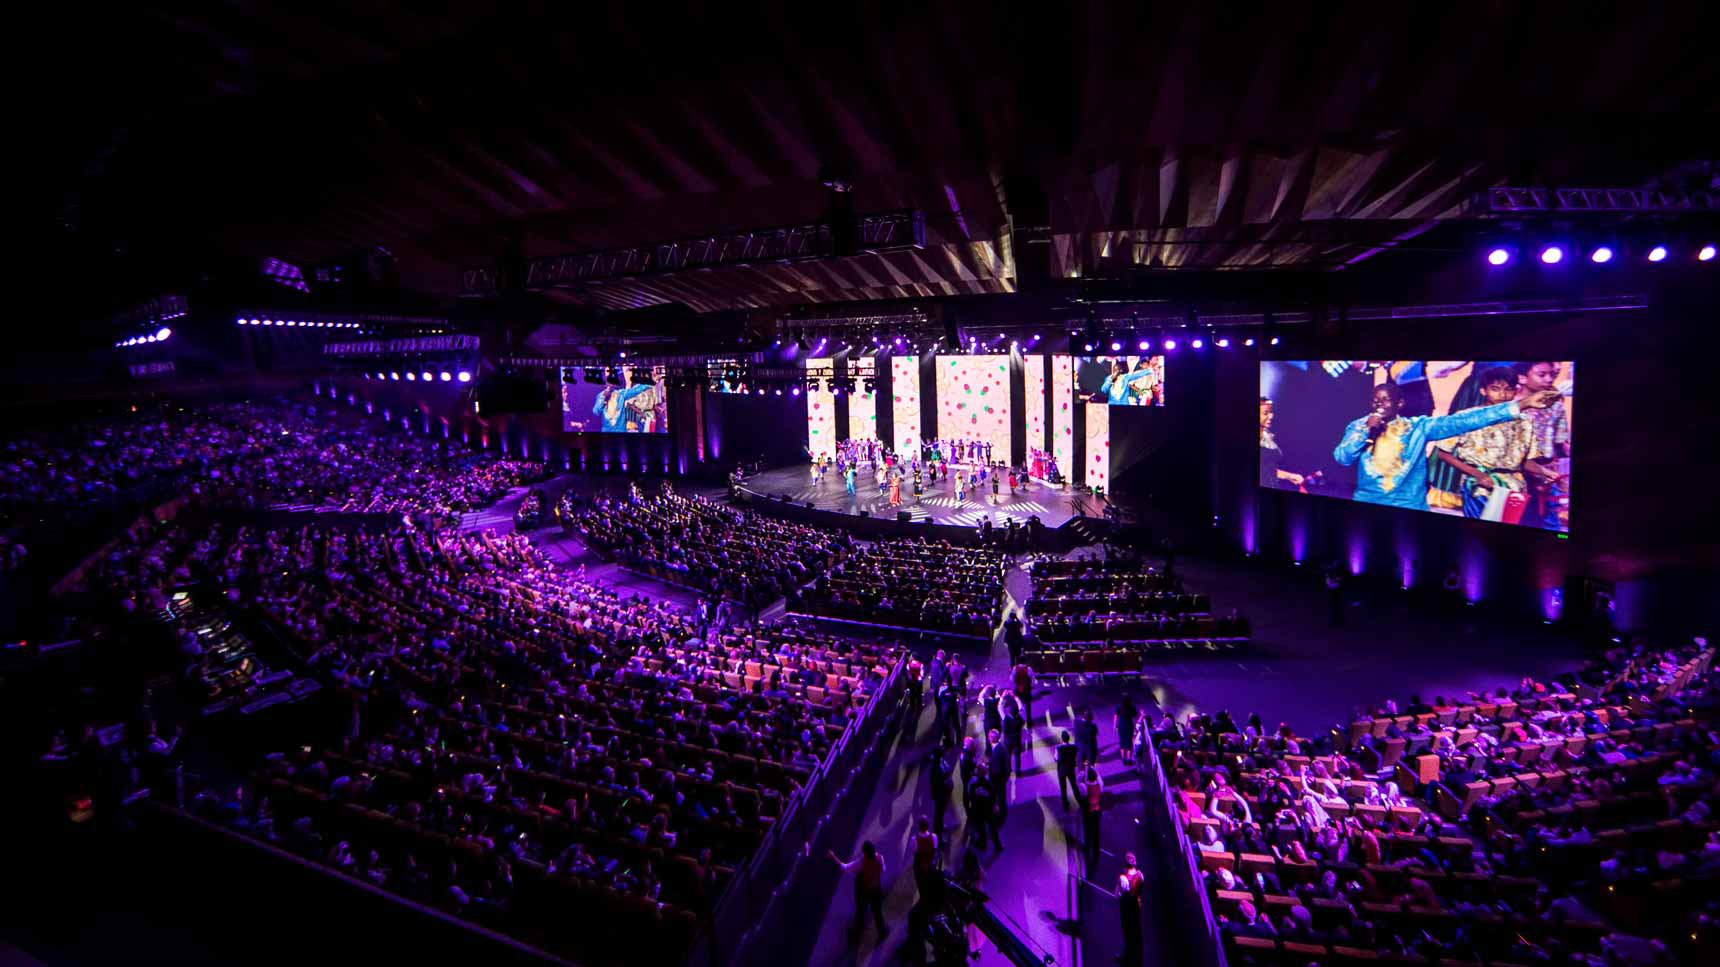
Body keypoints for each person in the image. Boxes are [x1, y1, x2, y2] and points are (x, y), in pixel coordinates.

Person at [1333, 381, 1560, 509]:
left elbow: (1467, 420)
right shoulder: (1359, 426)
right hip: (1366, 503)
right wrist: (1365, 431)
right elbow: (1342, 458)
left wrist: (1523, 403)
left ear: (1399, 403)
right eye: (1375, 399)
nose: (1378, 404)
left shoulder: (1418, 428)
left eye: (1385, 399)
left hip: (1409, 507)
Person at [1433, 366, 1536, 520]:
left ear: (1516, 391)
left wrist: (1545, 473)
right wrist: (1477, 474)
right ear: (1483, 390)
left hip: (1514, 490)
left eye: (1508, 389)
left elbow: (1525, 462)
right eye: (1495, 389)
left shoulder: (1524, 421)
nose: (1502, 395)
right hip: (1479, 487)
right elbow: (1442, 453)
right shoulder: (1467, 417)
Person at [829, 842, 888, 942]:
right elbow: (883, 870)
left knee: (860, 912)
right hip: (876, 889)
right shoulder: (880, 858)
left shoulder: (861, 862)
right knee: (877, 911)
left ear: (864, 852)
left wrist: (833, 857)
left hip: (864, 890)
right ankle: (882, 931)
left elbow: (845, 868)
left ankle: (856, 937)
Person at [1258, 397, 1306, 490]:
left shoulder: (1267, 436)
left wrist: (1289, 476)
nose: (1271, 416)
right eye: (1265, 413)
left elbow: (1267, 470)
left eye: (1271, 412)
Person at [1118, 852, 1146, 966]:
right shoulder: (1131, 874)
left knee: (1130, 932)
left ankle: (1130, 959)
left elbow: (1128, 893)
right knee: (1131, 933)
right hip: (1130, 906)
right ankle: (1130, 957)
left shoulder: (1134, 876)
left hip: (1130, 907)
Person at [1081, 766, 1105, 870]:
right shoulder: (1100, 785)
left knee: (1087, 831)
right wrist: (1093, 770)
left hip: (1088, 812)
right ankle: (1096, 851)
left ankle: (1087, 849)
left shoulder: (1084, 787)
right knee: (1096, 831)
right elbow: (1099, 778)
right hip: (1097, 811)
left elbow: (1078, 782)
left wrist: (1084, 773)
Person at [912, 817, 941, 897]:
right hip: (931, 866)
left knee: (922, 886)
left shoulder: (914, 839)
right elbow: (935, 850)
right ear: (928, 826)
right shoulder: (934, 837)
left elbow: (914, 852)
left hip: (920, 868)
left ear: (919, 826)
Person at [930, 747, 954, 834]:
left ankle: (941, 825)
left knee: (942, 812)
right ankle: (938, 831)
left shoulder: (941, 761)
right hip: (940, 795)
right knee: (939, 813)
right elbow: (938, 783)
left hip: (944, 792)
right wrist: (946, 776)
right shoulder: (935, 768)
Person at [1055, 730, 1080, 809]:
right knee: (1074, 785)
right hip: (1070, 769)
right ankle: (1080, 801)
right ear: (1068, 738)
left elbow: (1056, 758)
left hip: (1061, 770)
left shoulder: (1058, 748)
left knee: (1063, 787)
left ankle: (1065, 805)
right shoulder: (1074, 747)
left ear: (1062, 739)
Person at [1115, 695, 1138, 766]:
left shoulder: (1119, 707)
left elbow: (1116, 716)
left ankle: (1123, 758)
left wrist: (1115, 725)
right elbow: (1135, 717)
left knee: (1122, 742)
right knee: (1129, 743)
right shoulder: (1132, 708)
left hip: (1121, 726)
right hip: (1129, 726)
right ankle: (1129, 759)